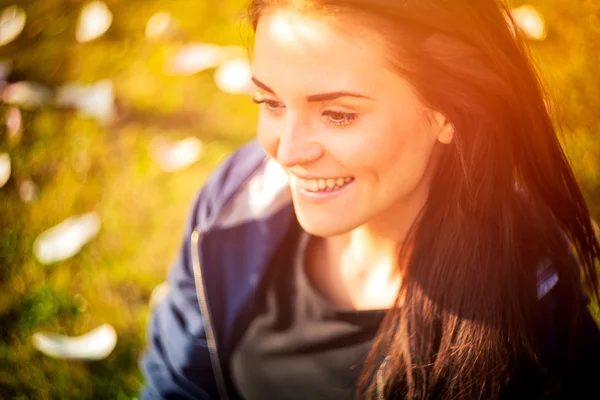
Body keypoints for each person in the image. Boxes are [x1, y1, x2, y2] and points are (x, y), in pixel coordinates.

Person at [140, 0, 600, 398]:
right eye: (271, 103)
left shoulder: (530, 304)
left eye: (338, 115)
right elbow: (177, 385)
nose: (288, 151)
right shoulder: (234, 201)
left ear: (448, 111)